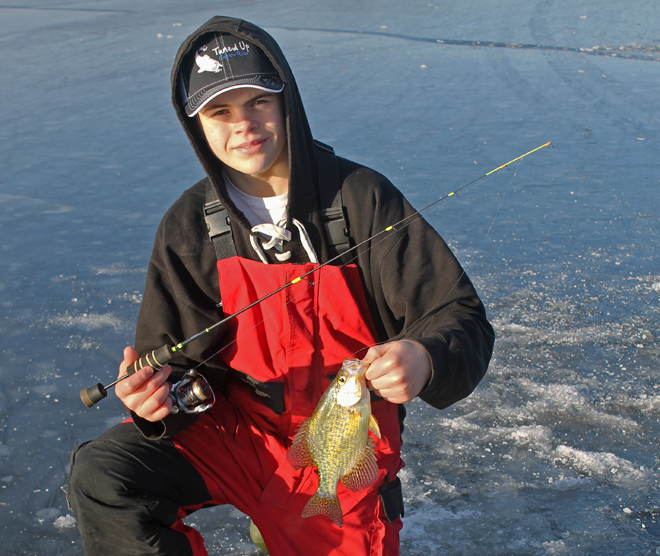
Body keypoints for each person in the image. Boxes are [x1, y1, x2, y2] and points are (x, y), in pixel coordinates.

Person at [67, 15, 494, 556]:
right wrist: (152, 399)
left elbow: (460, 315)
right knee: (107, 475)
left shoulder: (360, 198)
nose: (243, 125)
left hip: (343, 450)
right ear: (197, 123)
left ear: (285, 101)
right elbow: (171, 361)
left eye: (258, 103)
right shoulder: (189, 224)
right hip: (239, 434)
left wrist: (424, 356)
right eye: (220, 111)